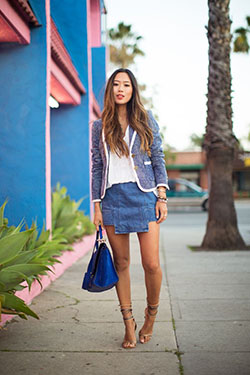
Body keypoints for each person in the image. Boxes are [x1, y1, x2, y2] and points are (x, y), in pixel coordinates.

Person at [91, 68, 169, 349]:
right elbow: (97, 166)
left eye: (126, 84)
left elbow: (157, 156)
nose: (120, 89)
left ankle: (151, 315)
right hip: (112, 199)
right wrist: (97, 205)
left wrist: (162, 195)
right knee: (121, 263)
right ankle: (128, 323)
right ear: (110, 90)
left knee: (151, 263)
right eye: (115, 84)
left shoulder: (145, 120)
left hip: (144, 195)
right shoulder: (99, 127)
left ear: (133, 90)